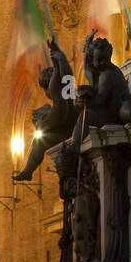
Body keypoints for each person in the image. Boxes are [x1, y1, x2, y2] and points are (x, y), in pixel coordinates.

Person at [13, 39, 77, 182]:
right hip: (70, 123)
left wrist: (56, 57)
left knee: (39, 140)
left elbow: (59, 73)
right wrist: (59, 55)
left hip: (60, 118)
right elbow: (67, 71)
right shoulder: (68, 89)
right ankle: (28, 171)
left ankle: (28, 171)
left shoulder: (54, 87)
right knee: (40, 135)